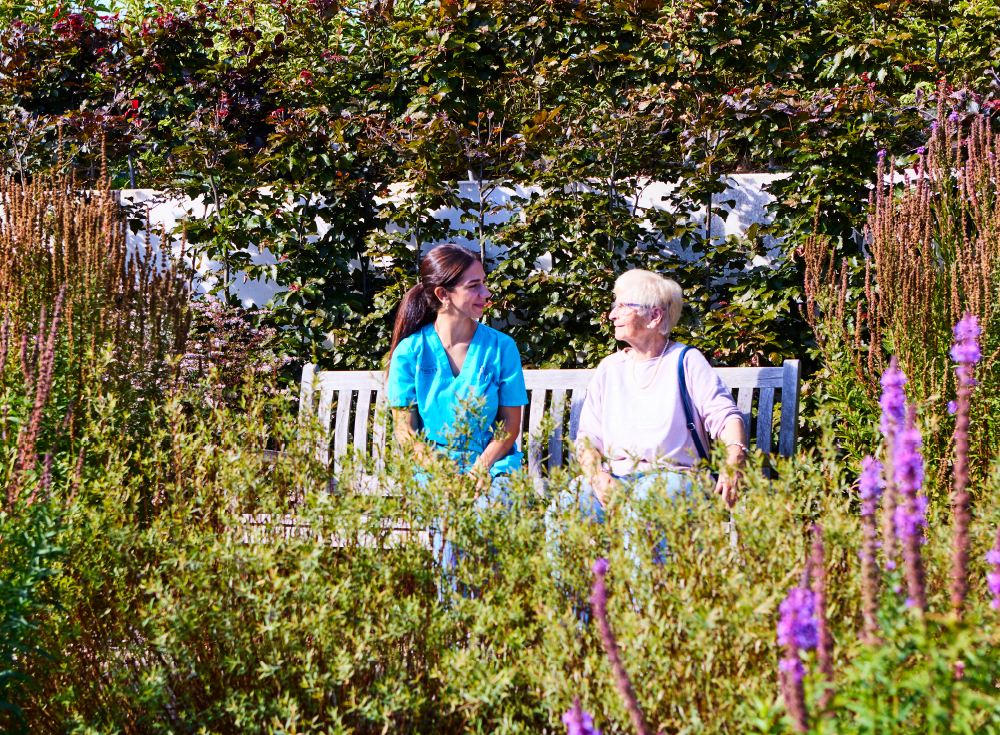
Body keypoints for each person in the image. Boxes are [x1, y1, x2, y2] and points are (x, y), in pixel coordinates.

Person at [386, 243, 528, 564]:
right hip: (432, 469)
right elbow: (406, 433)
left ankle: (481, 594)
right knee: (450, 513)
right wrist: (444, 474)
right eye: (474, 285)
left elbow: (510, 425)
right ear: (443, 294)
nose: (486, 293)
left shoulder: (501, 347)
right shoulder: (410, 352)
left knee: (490, 508)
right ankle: (457, 597)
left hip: (492, 466)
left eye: (484, 283)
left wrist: (480, 469)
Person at [573, 269, 747, 528]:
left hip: (677, 478)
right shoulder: (609, 368)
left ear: (655, 316)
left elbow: (725, 417)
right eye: (614, 305)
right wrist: (597, 475)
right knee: (568, 504)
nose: (612, 315)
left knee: (643, 504)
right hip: (616, 478)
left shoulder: (686, 361)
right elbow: (587, 438)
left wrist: (734, 457)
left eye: (623, 306)